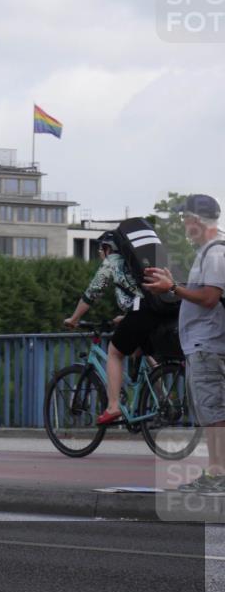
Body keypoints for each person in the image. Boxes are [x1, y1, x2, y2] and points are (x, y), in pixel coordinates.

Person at [143, 194, 225, 495]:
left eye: (185, 218)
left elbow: (209, 298)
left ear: (197, 220)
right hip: (204, 345)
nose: (182, 223)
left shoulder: (215, 254)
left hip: (208, 346)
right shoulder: (208, 253)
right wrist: (174, 284)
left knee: (213, 410)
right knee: (210, 410)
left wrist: (173, 287)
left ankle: (218, 475)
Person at [63, 230, 160, 426]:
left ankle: (113, 406)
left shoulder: (112, 261)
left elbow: (93, 292)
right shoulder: (136, 262)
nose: (100, 254)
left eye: (101, 249)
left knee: (114, 353)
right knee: (143, 352)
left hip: (139, 313)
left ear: (108, 249)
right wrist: (125, 317)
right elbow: (138, 295)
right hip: (154, 312)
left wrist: (74, 318)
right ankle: (165, 401)